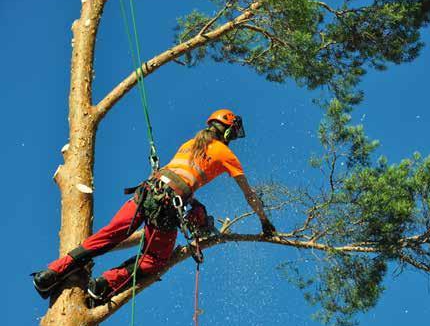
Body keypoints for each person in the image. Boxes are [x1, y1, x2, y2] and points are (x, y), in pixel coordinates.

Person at [33, 109, 276, 301]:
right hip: (168, 206)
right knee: (154, 261)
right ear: (227, 133)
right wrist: (265, 222)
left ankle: (51, 273)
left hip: (147, 191)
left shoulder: (191, 142)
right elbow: (249, 194)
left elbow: (180, 179)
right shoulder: (226, 154)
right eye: (232, 135)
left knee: (109, 235)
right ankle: (103, 284)